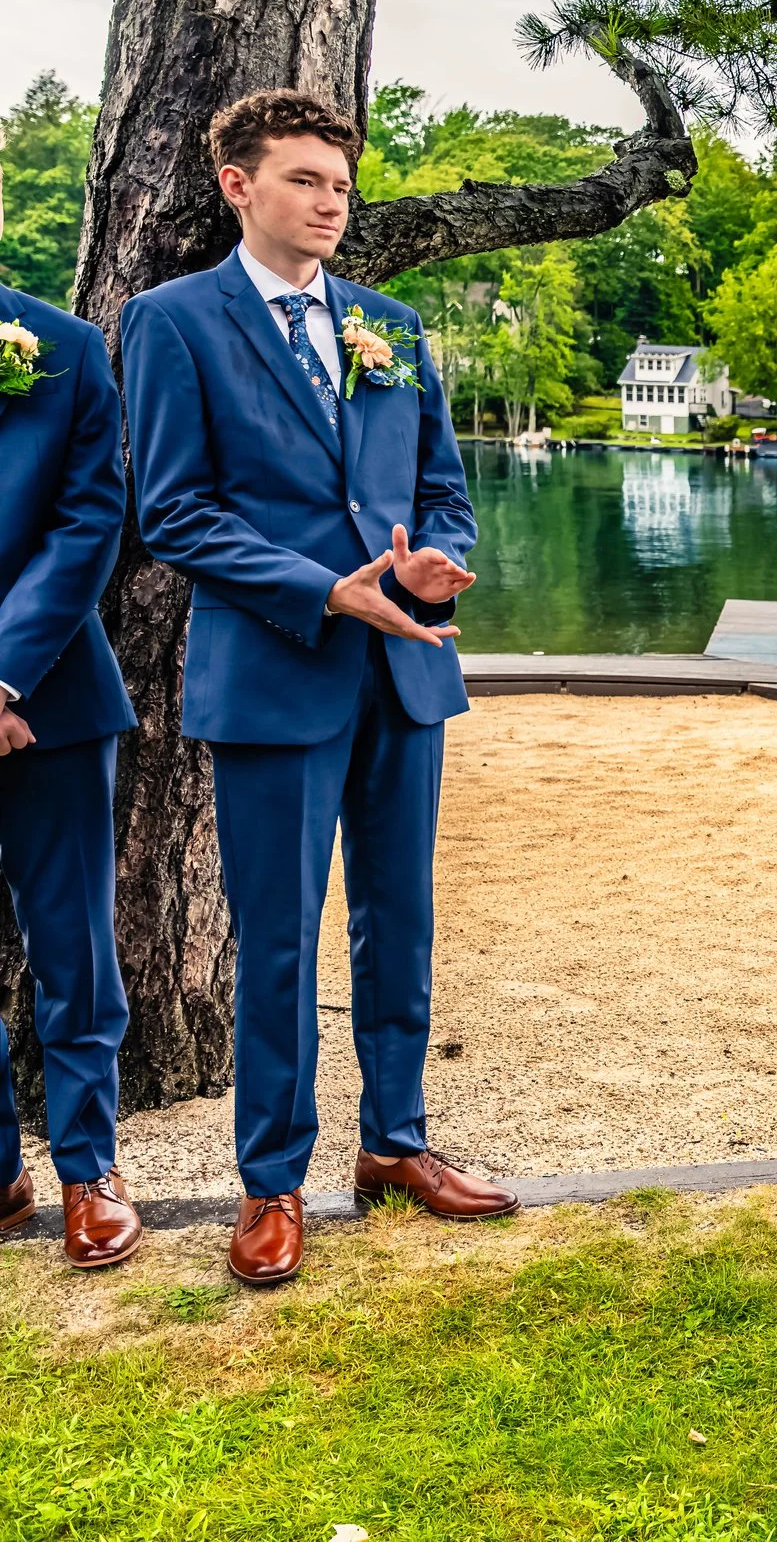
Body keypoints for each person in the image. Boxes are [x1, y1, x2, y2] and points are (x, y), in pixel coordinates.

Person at [124, 89, 515, 1289]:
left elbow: (439, 485)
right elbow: (173, 510)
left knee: (399, 921)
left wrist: (430, 570)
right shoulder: (171, 321)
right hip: (275, 670)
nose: (333, 200)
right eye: (306, 178)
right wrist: (326, 588)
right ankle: (271, 1181)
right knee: (281, 939)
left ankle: (395, 1143)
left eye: (342, 182)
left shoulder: (389, 325)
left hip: (404, 671)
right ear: (238, 185)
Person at [0, 283, 143, 1269]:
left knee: (75, 949)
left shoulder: (62, 346)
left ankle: (90, 1169)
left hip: (47, 699)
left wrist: (2, 671)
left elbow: (90, 520)